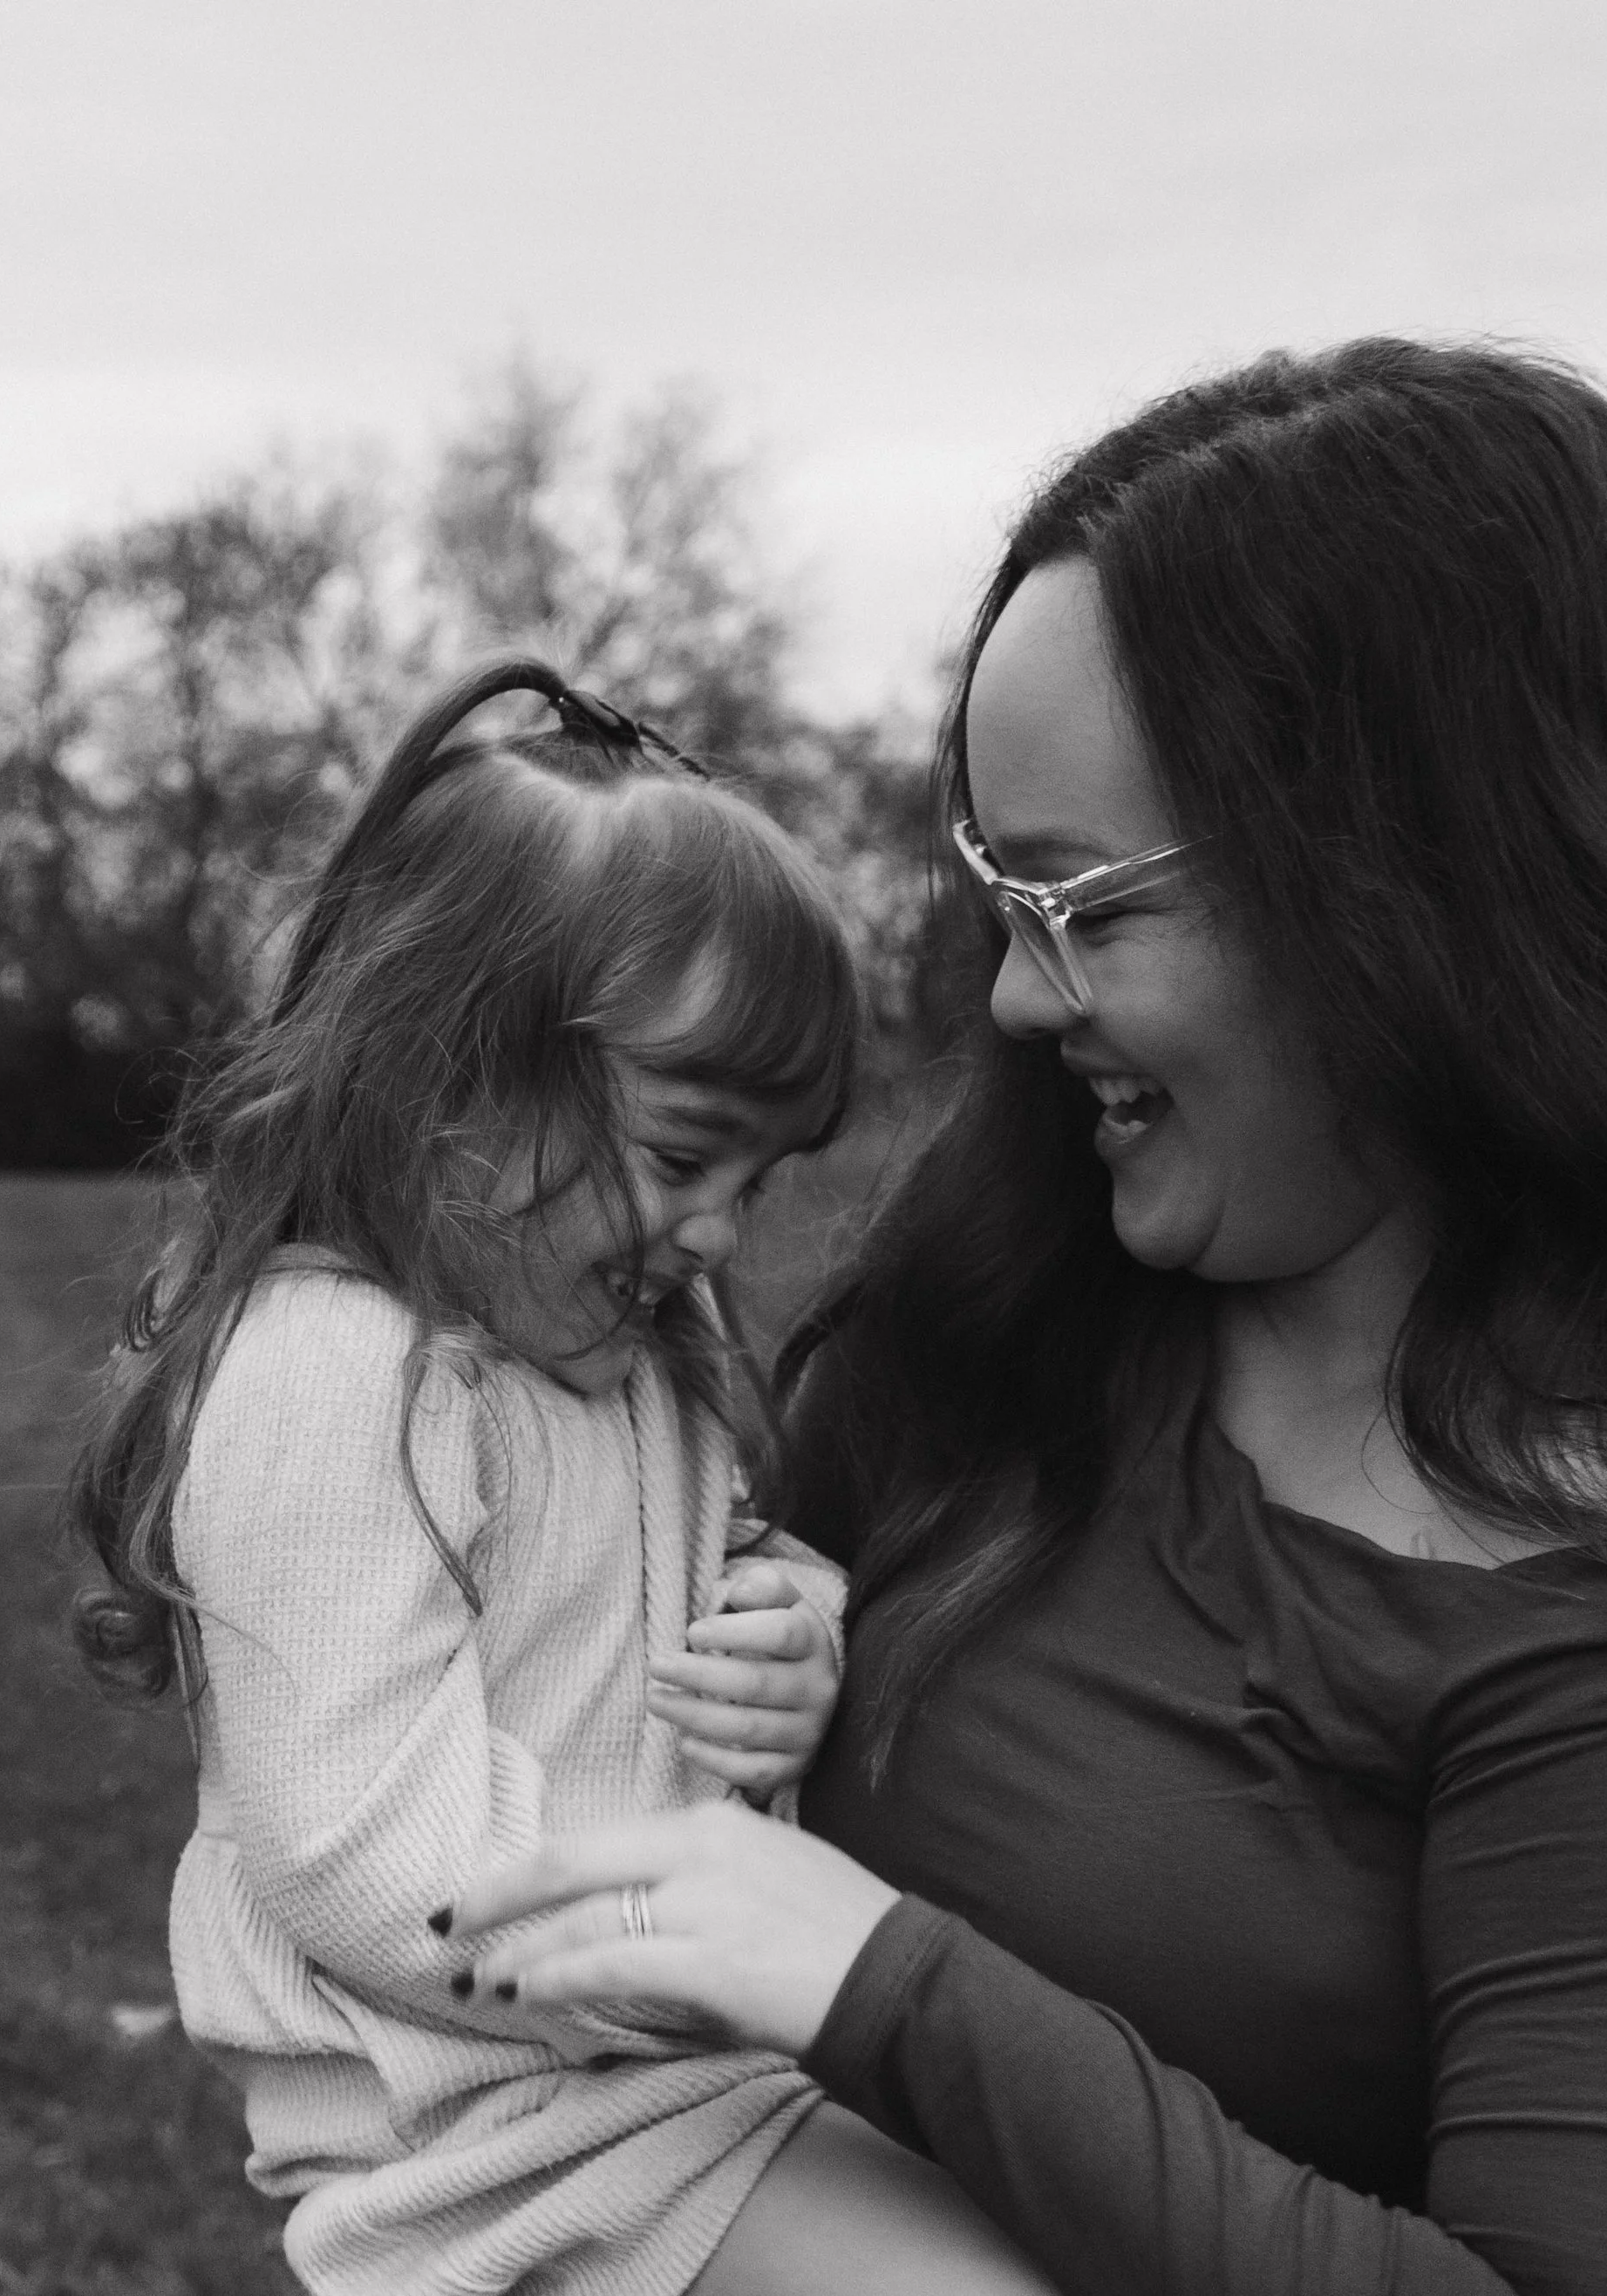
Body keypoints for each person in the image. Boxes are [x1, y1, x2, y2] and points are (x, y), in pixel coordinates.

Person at [441, 344, 1607, 2296]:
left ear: (1424, 895)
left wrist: (887, 1985)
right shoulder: (993, 1343)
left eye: (1091, 904)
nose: (1025, 1003)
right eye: (999, 896)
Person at [65, 660, 1054, 2295]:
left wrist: (792, 1628)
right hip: (491, 2155)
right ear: (444, 1075)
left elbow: (715, 1568)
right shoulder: (336, 1374)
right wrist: (716, 1953)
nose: (721, 1233)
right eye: (681, 1157)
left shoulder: (619, 1356)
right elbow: (364, 1847)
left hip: (666, 2092)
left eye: (757, 1175)